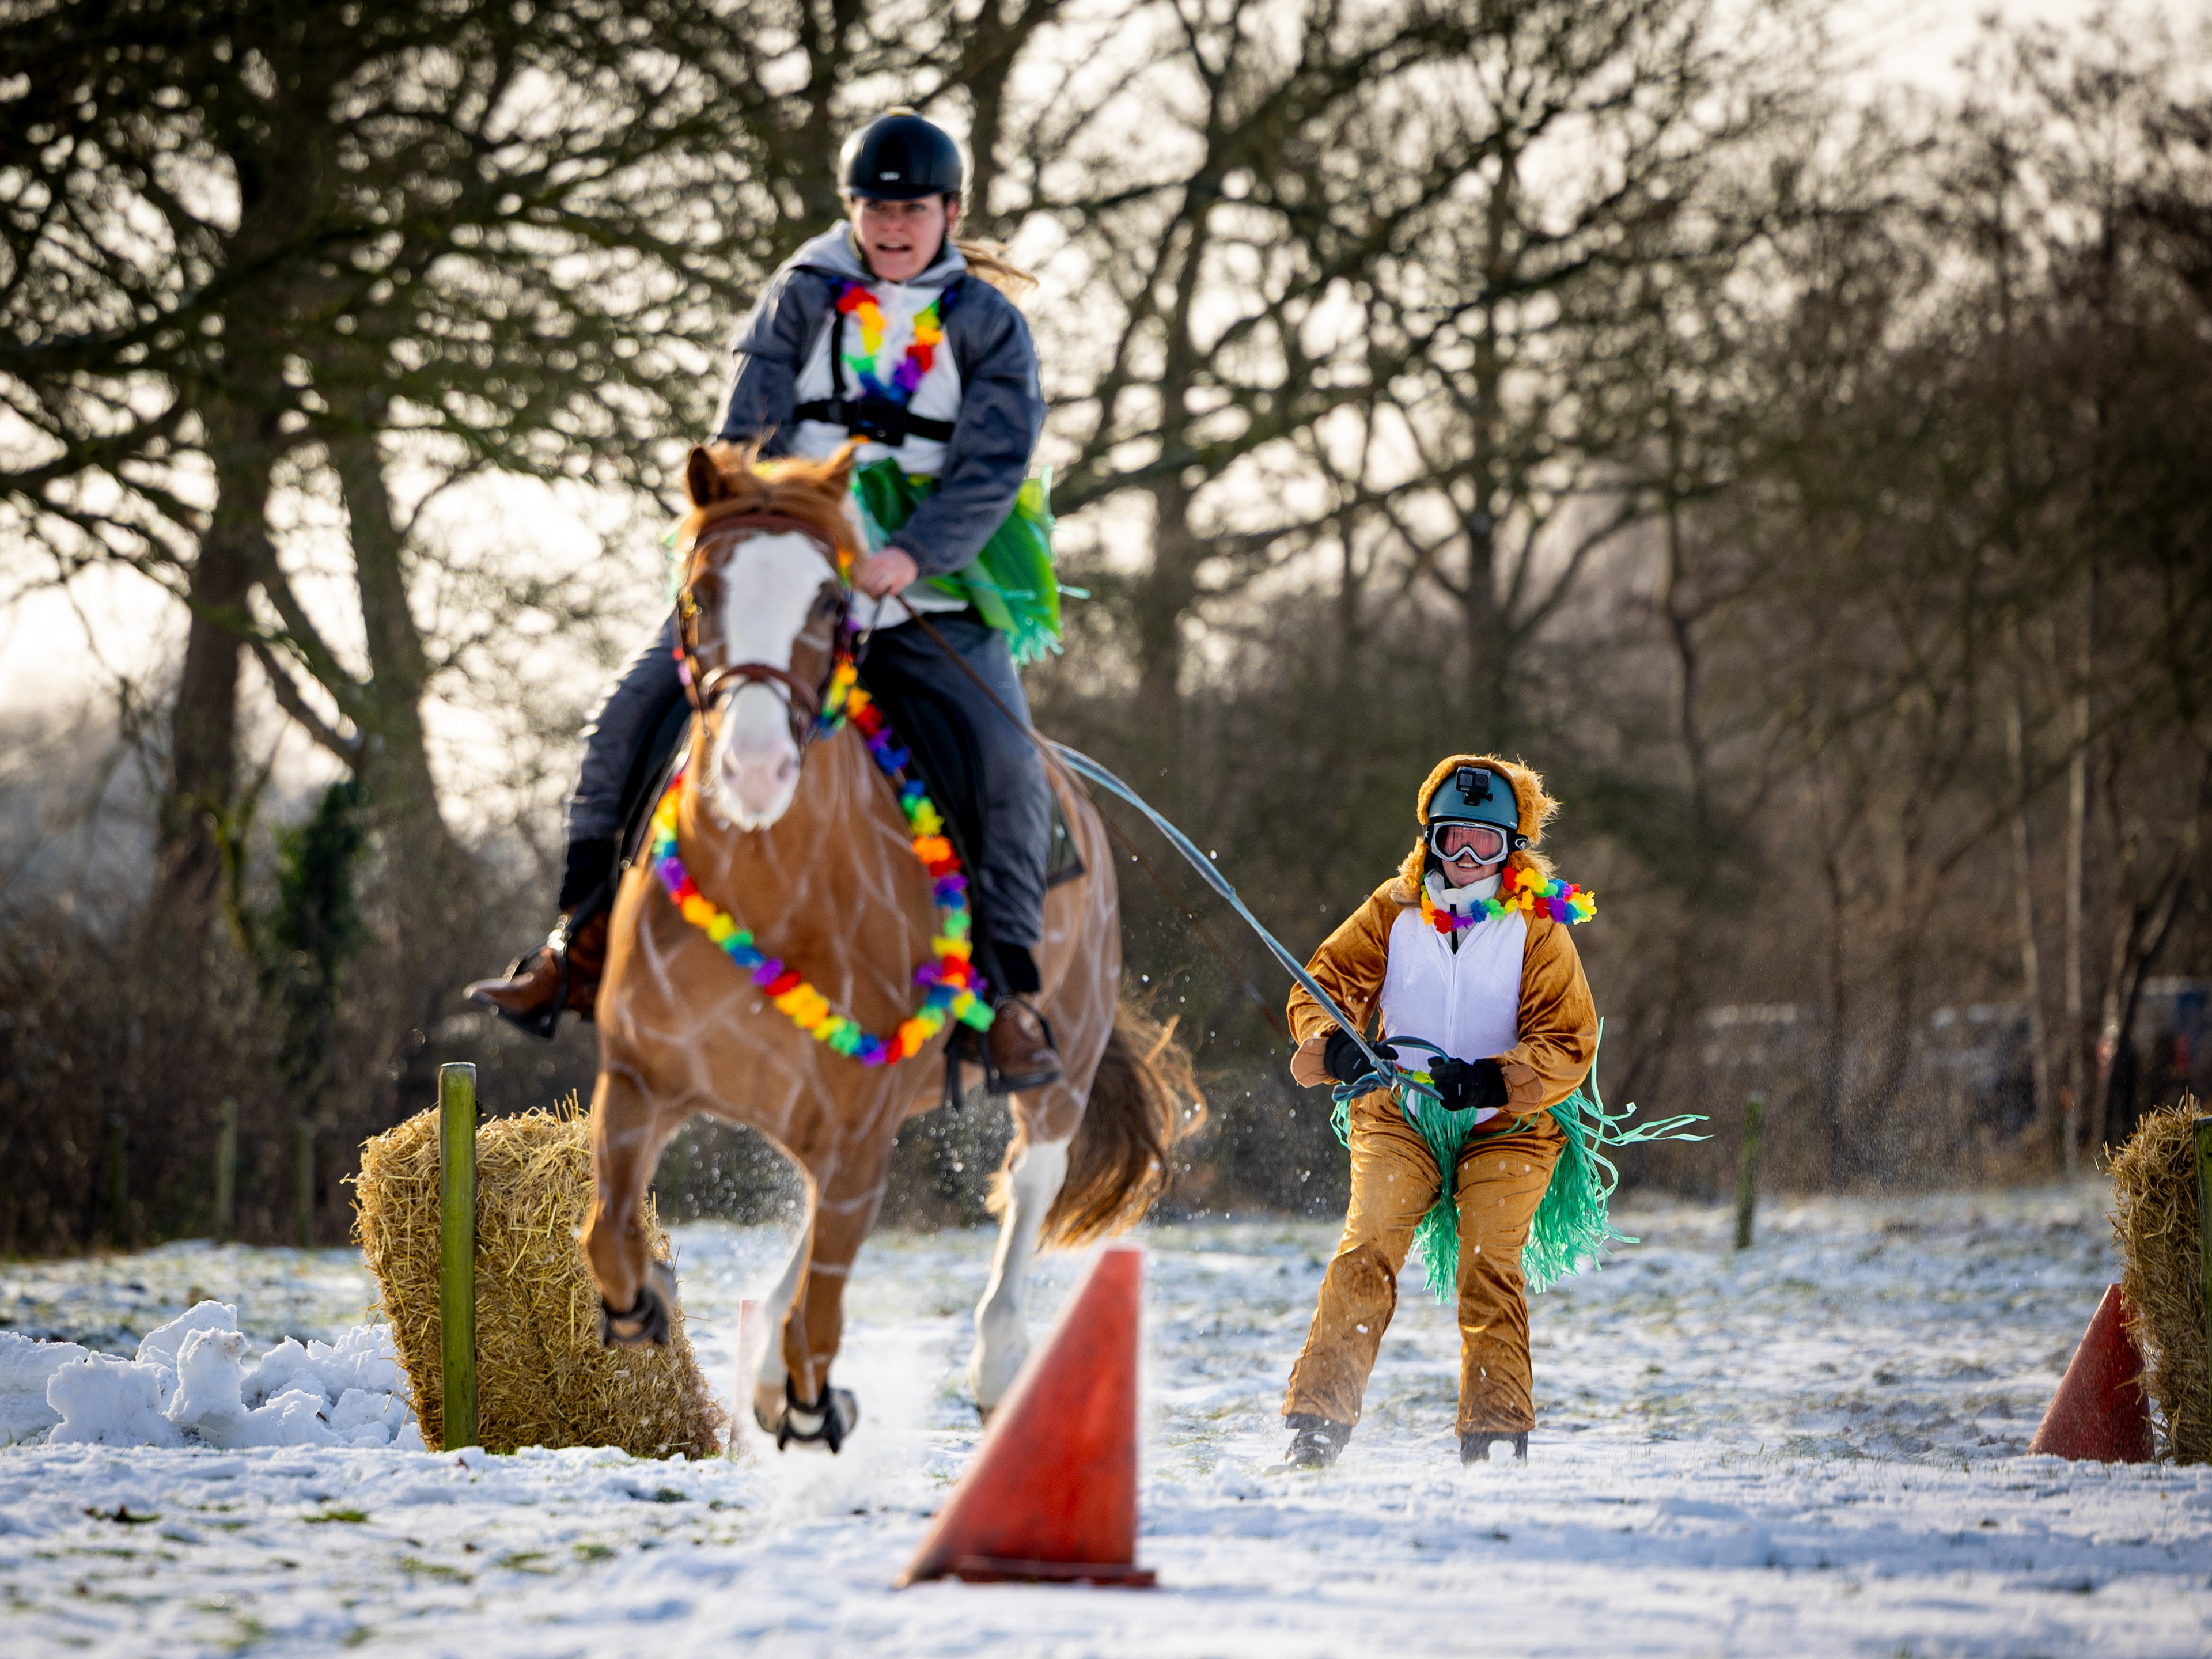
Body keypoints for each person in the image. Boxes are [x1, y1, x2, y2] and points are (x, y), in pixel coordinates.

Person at [466, 108, 1063, 1090]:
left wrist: (907, 556)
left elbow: (994, 463)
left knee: (1004, 759)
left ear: (950, 213)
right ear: (854, 213)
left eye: (914, 210)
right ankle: (572, 946)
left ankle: (1006, 999)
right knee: (626, 717)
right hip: (787, 547)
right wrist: (795, 528)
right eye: (878, 210)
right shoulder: (799, 297)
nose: (895, 227)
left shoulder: (988, 324)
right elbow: (743, 433)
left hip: (930, 572)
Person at [1277, 754, 1599, 1469]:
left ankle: (1494, 1433)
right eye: (1452, 838)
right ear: (1430, 838)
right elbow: (1320, 986)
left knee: (1488, 1261)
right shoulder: (1392, 910)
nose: (1465, 859)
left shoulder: (1539, 927)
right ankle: (1317, 1426)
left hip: (1508, 1123)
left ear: (1513, 851)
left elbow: (1568, 1038)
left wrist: (1491, 1082)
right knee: (1367, 1250)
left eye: (1485, 844)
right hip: (1402, 1113)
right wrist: (1334, 1051)